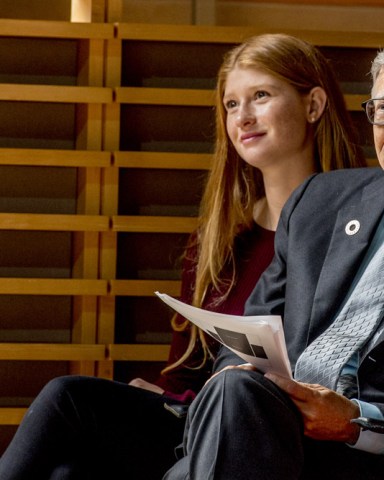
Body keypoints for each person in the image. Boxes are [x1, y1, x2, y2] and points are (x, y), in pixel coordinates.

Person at [0, 34, 366, 479]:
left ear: (314, 105)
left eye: (261, 96)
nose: (243, 118)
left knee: (66, 397)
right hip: (197, 418)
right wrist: (159, 394)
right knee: (69, 466)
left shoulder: (360, 235)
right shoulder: (217, 241)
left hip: (288, 429)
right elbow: (187, 372)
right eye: (231, 105)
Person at [163, 50, 384, 480]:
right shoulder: (322, 201)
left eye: (260, 95)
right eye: (382, 111)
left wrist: (356, 419)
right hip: (273, 421)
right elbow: (241, 337)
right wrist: (239, 375)